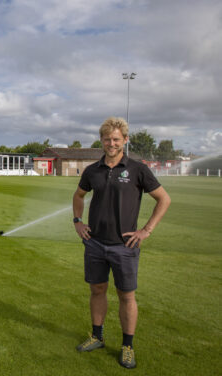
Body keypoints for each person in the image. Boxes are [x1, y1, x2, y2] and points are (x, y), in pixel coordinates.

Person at [73, 117, 171, 369]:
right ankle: (97, 336)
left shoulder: (137, 169)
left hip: (124, 246)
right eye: (107, 139)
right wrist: (77, 221)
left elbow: (164, 199)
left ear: (125, 140)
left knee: (126, 296)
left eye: (116, 139)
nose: (111, 143)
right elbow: (79, 195)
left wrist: (146, 230)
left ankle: (127, 346)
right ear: (102, 141)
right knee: (97, 290)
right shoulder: (92, 170)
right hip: (94, 243)